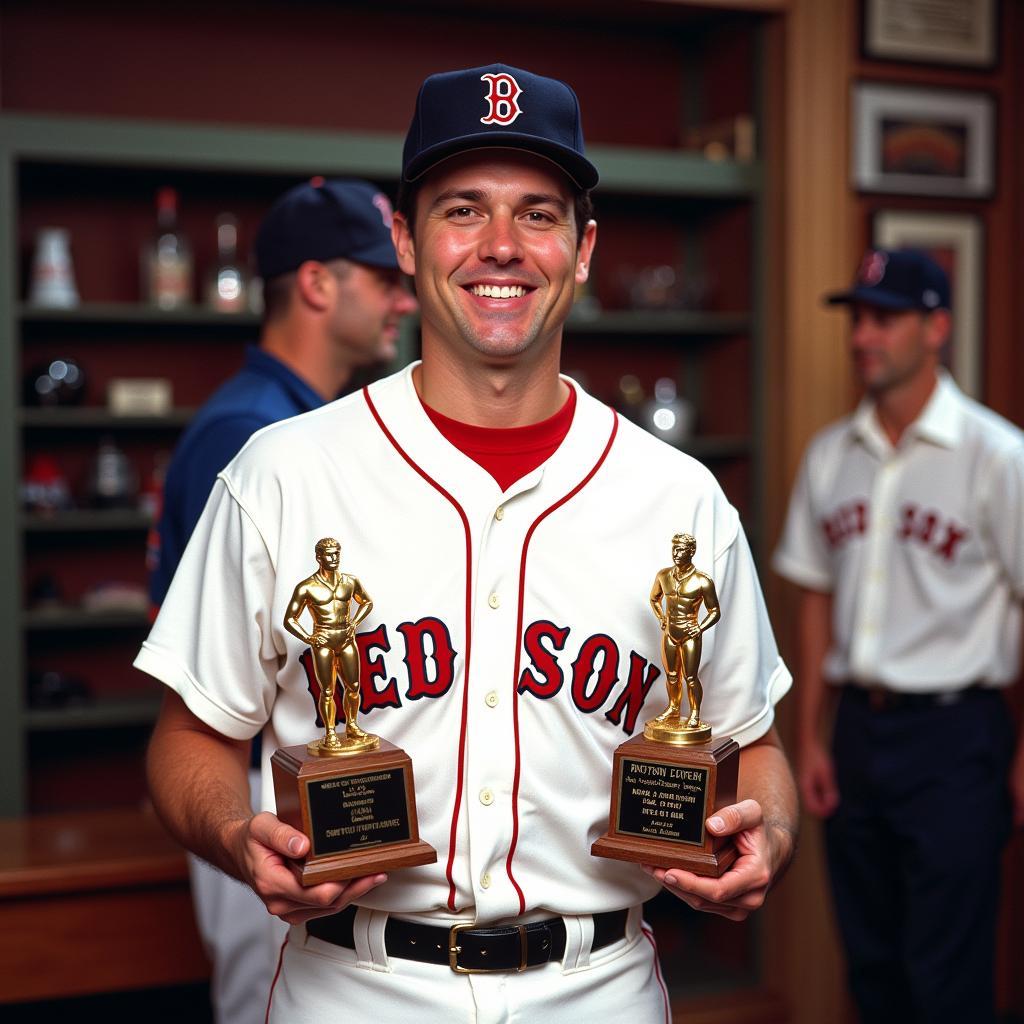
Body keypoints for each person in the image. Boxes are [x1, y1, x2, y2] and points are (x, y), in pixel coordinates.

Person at [137, 63, 797, 1023]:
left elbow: (756, 744)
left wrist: (766, 831)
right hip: (353, 987)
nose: (501, 247)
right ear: (405, 241)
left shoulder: (680, 498)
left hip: (598, 988)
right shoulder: (281, 473)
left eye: (538, 214)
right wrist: (241, 834)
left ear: (582, 249)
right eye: (462, 210)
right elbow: (188, 735)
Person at [147, 176, 417, 1024]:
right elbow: (210, 661)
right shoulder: (254, 434)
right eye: (384, 279)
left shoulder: (307, 420)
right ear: (315, 283)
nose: (403, 301)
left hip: (309, 779)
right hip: (267, 786)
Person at [773, 248, 1024, 1024]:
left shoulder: (998, 456)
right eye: (858, 320)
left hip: (957, 735)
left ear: (937, 327)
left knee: (943, 974)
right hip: (857, 732)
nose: (862, 337)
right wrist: (810, 737)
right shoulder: (828, 455)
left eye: (885, 319)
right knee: (872, 964)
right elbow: (815, 598)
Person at [283, 537, 375, 751]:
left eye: (337, 553)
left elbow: (367, 602)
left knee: (353, 687)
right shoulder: (306, 587)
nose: (334, 558)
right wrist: (309, 638)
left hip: (346, 637)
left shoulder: (350, 581)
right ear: (318, 557)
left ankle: (352, 725)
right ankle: (331, 732)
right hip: (323, 640)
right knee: (327, 690)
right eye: (329, 554)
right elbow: (289, 619)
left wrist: (354, 622)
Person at [648, 533, 720, 732]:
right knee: (672, 675)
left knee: (690, 677)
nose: (676, 554)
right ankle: (673, 708)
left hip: (690, 635)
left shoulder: (703, 581)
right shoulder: (663, 575)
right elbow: (654, 599)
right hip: (670, 633)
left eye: (681, 550)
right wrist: (662, 617)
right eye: (674, 549)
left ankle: (695, 712)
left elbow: (715, 611)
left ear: (692, 552)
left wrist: (700, 627)